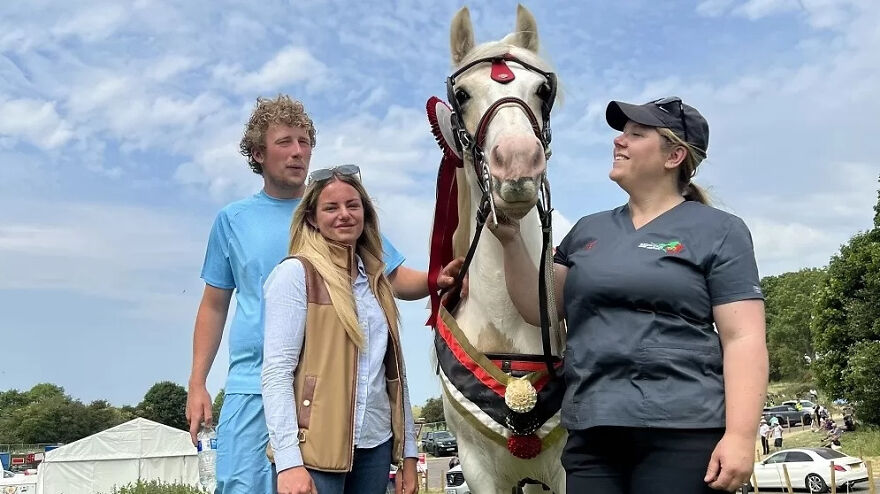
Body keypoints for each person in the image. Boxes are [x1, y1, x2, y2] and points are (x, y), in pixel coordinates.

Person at [487, 96, 767, 493]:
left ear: (674, 156)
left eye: (636, 134)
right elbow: (542, 311)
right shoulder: (588, 230)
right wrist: (511, 242)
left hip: (683, 432)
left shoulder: (720, 231)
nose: (619, 141)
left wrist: (740, 436)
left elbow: (744, 338)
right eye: (621, 133)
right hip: (592, 434)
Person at [184, 95, 439, 493]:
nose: (298, 152)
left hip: (326, 397)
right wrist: (198, 381)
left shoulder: (336, 213)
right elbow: (214, 305)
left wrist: (443, 278)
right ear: (258, 153)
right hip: (254, 385)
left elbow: (390, 279)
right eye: (285, 142)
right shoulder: (233, 220)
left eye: (304, 142)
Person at [261, 166, 420, 494]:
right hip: (314, 452)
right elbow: (277, 372)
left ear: (366, 213)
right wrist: (289, 462)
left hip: (375, 447)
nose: (344, 215)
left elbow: (394, 376)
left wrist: (407, 454)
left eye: (353, 205)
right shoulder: (295, 275)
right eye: (331, 208)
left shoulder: (377, 282)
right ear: (312, 218)